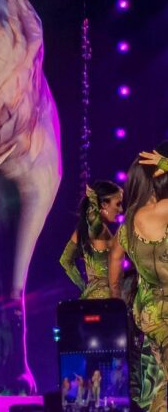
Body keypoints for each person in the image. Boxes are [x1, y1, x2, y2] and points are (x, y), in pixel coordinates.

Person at [110, 144, 168, 412]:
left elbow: (114, 277)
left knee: (157, 384)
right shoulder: (162, 211)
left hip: (146, 313)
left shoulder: (126, 226)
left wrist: (120, 306)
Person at [59, 180, 123, 298]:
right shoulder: (96, 228)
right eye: (118, 204)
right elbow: (65, 260)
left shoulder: (84, 229)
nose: (121, 210)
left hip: (99, 298)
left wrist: (85, 288)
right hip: (105, 300)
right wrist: (93, 198)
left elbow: (65, 260)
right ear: (104, 204)